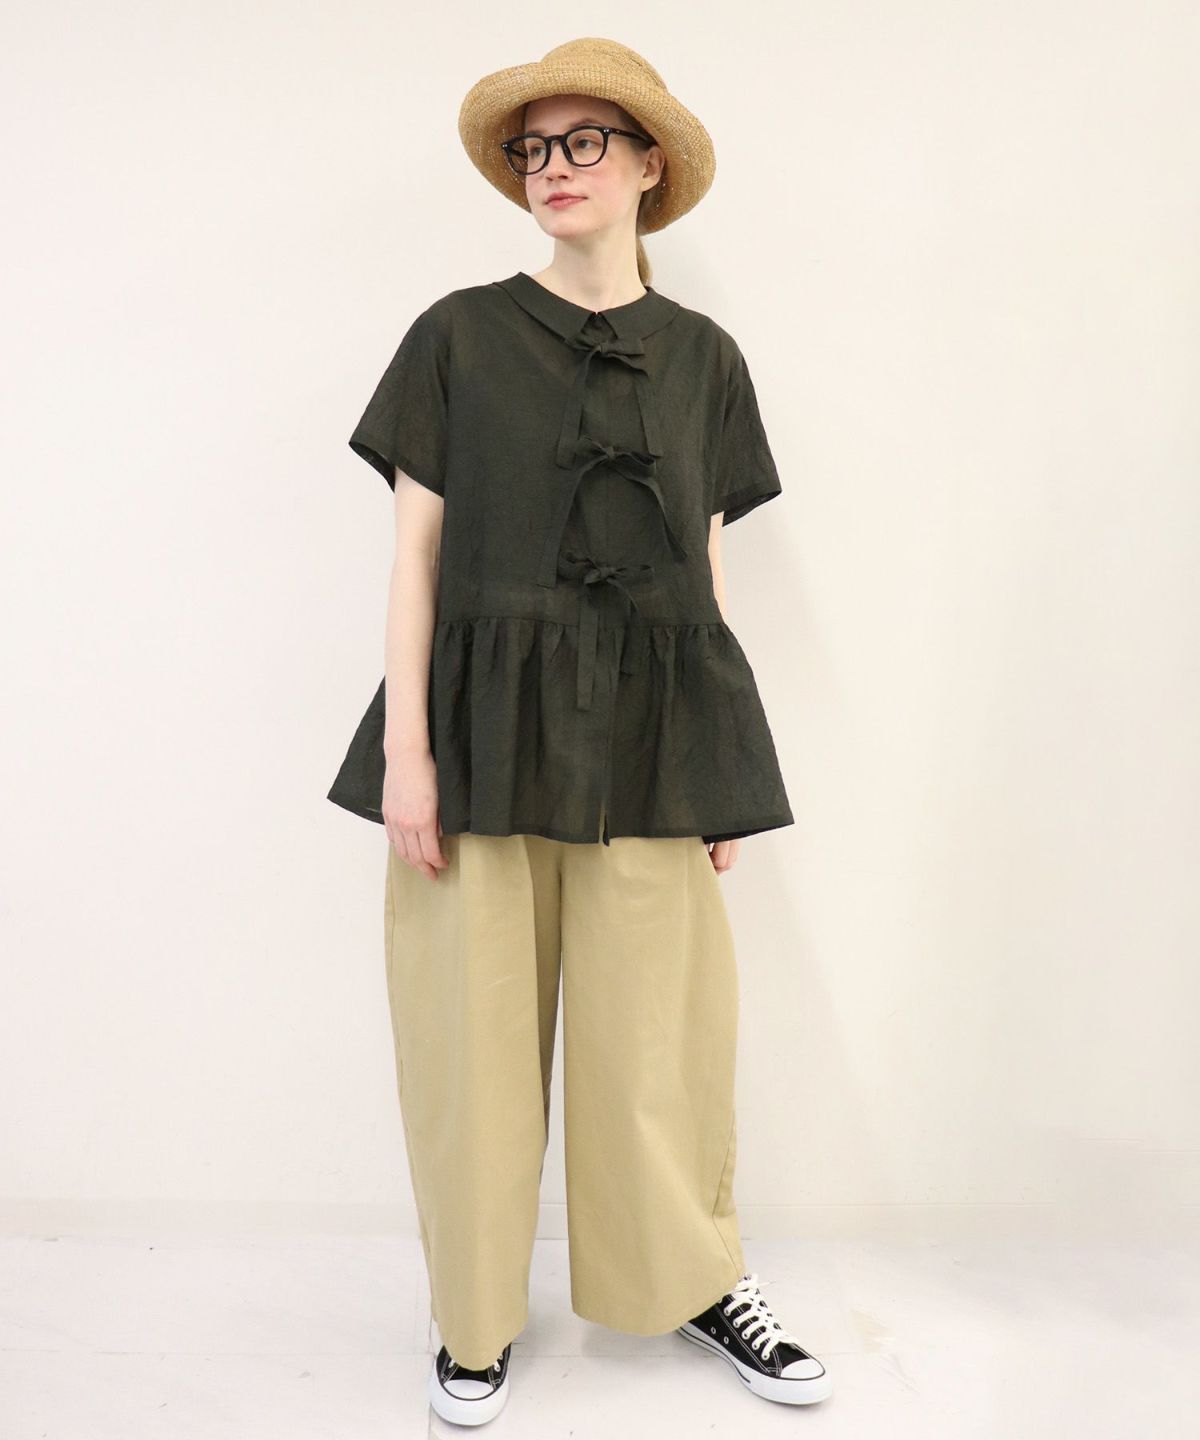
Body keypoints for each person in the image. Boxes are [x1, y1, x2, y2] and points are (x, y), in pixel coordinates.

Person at [327, 36, 832, 1427]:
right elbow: (415, 558)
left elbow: (706, 571)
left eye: (584, 142)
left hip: (656, 739)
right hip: (479, 734)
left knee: (660, 1041)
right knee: (471, 1046)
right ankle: (475, 1318)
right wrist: (410, 756)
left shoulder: (705, 359)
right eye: (534, 149)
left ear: (649, 164)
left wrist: (723, 764)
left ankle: (693, 1281)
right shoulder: (457, 336)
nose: (553, 168)